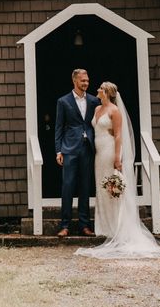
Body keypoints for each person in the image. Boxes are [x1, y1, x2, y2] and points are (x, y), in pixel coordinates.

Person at [76, 81, 160, 259]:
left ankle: (118, 228)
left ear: (107, 92)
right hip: (98, 153)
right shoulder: (96, 110)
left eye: (100, 88)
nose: (97, 90)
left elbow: (118, 135)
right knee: (101, 189)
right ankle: (104, 227)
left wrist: (117, 157)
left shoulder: (114, 111)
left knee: (112, 189)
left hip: (109, 152)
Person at [54, 68, 99, 237]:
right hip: (69, 149)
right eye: (82, 80)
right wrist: (58, 150)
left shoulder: (95, 101)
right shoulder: (63, 101)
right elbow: (58, 128)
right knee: (68, 186)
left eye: (87, 80)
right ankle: (65, 225)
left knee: (85, 187)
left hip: (88, 149)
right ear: (74, 81)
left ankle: (84, 225)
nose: (86, 83)